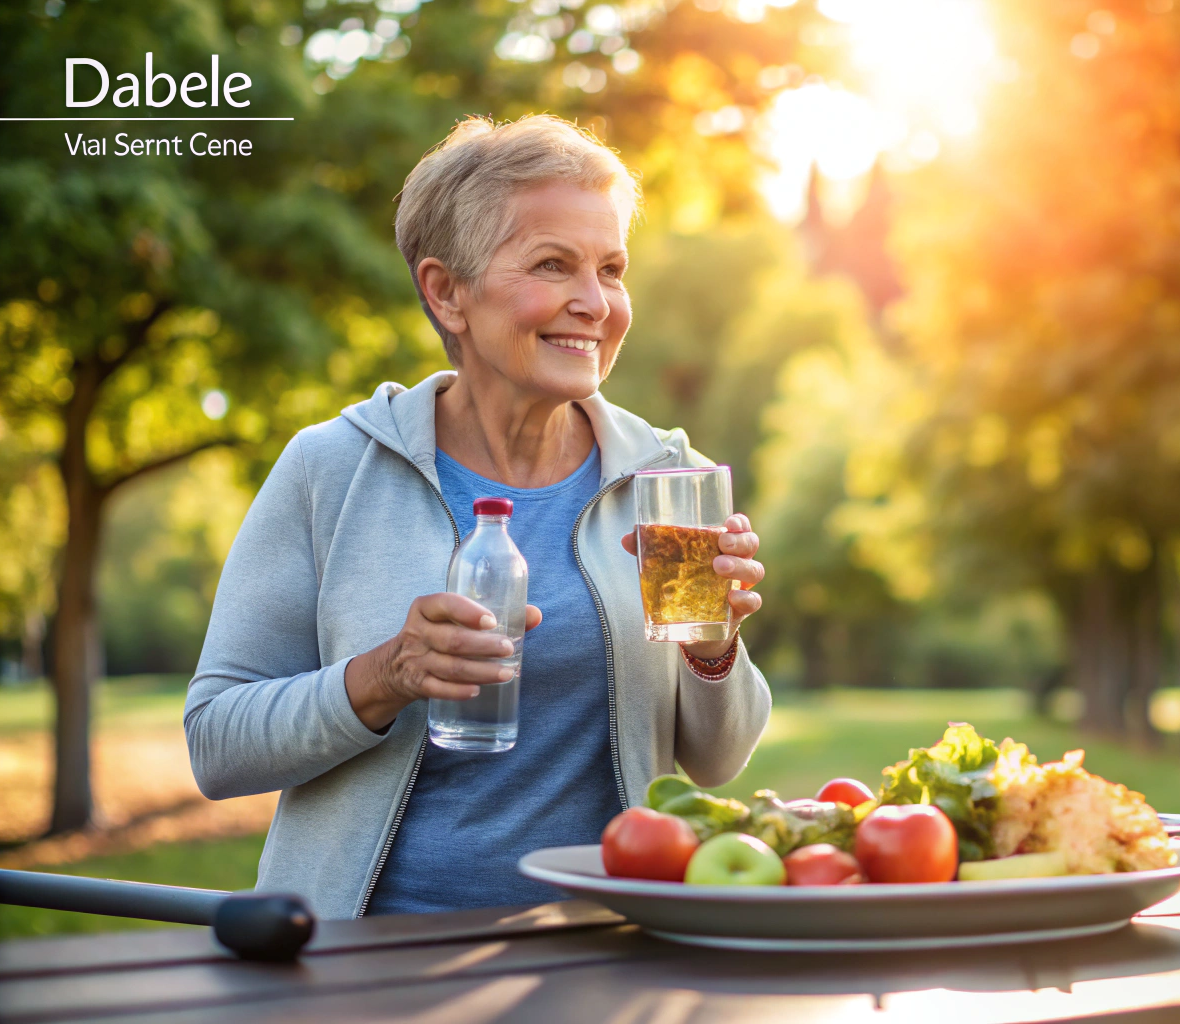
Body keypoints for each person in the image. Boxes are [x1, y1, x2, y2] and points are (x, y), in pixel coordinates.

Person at [185, 115, 771, 920]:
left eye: (611, 269)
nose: (595, 303)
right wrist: (382, 677)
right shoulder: (333, 469)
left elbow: (718, 759)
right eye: (552, 265)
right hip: (367, 959)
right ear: (445, 291)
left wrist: (713, 647)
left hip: (607, 947)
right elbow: (217, 744)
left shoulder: (667, 480)